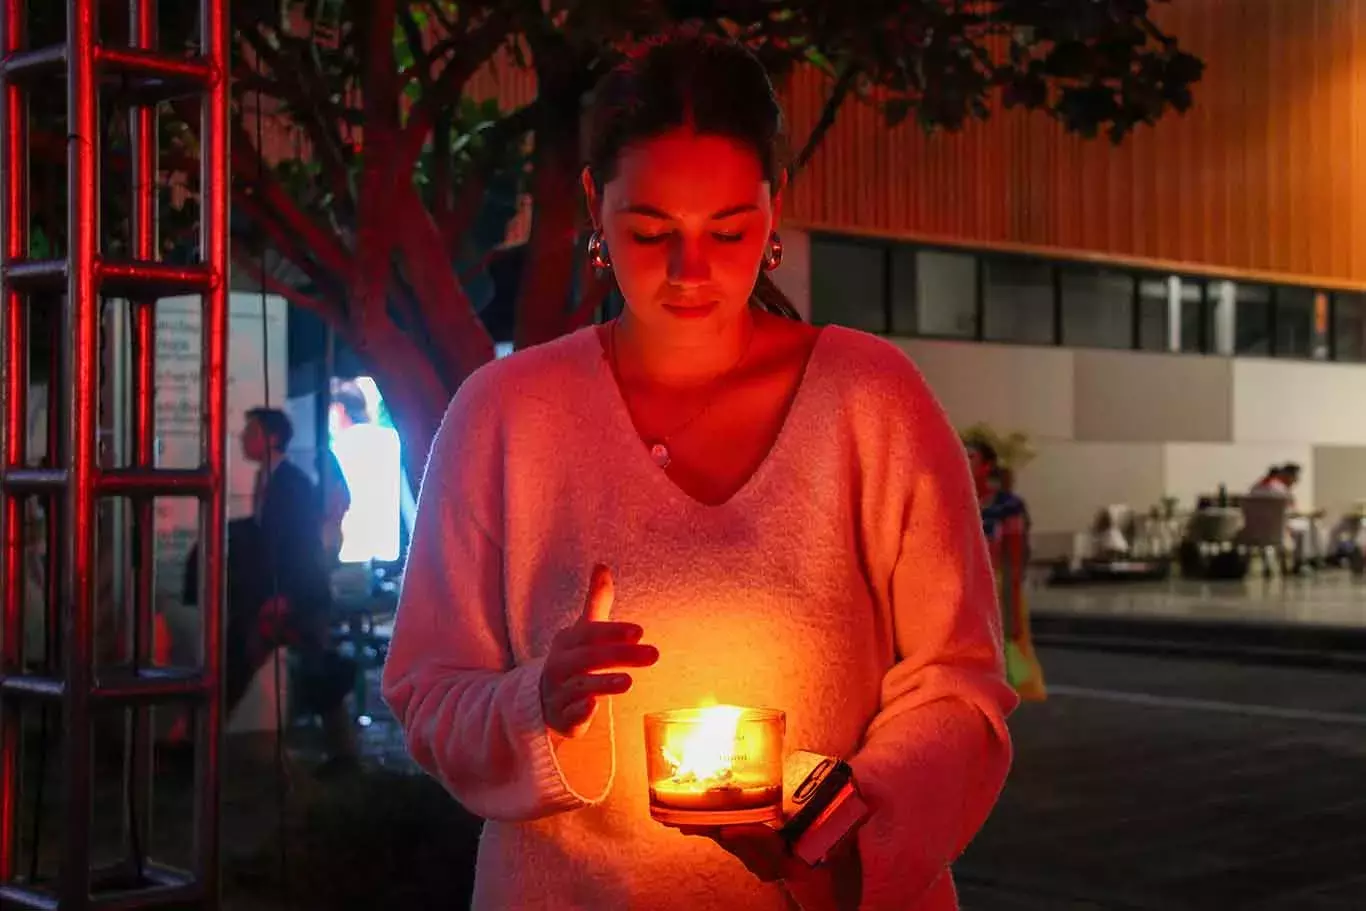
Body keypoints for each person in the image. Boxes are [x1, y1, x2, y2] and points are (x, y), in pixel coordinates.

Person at [382, 32, 1015, 911]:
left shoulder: (870, 402)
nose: (693, 270)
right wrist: (539, 703)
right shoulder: (506, 414)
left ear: (775, 209)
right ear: (593, 209)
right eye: (650, 231)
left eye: (729, 229)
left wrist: (837, 840)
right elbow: (428, 687)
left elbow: (959, 680)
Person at [241, 407, 359, 771]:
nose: (245, 438)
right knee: (261, 661)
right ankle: (340, 753)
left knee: (315, 667)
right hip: (291, 593)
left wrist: (282, 594)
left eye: (252, 431)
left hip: (298, 594)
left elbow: (291, 546)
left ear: (271, 437)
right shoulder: (275, 479)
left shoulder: (288, 483)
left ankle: (343, 754)